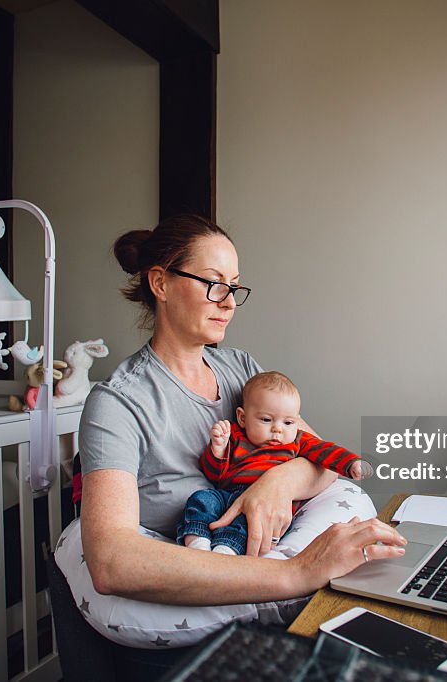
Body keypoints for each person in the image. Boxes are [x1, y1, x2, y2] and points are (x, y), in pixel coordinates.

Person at [54, 214, 406, 657]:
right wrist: (296, 574)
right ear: (160, 283)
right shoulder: (117, 402)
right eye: (213, 283)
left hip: (266, 543)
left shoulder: (241, 369)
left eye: (234, 287)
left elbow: (320, 460)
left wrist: (274, 484)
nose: (228, 302)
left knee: (352, 499)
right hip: (196, 548)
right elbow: (111, 562)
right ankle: (286, 593)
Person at [179, 370, 375, 555]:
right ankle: (198, 543)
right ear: (242, 418)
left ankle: (225, 550)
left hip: (268, 505)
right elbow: (214, 475)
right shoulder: (235, 436)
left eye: (288, 422)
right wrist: (218, 449)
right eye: (266, 419)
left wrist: (351, 463)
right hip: (228, 494)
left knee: (247, 523)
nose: (278, 429)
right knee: (201, 499)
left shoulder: (297, 441)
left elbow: (326, 452)